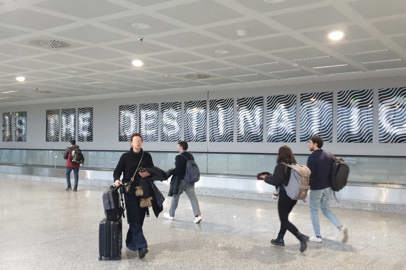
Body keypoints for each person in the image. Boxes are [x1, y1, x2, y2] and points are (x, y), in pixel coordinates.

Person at [257, 145, 309, 253]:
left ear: (280, 155)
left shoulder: (281, 166)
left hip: (285, 196)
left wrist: (265, 177)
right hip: (294, 197)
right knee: (284, 218)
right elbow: (283, 179)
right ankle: (280, 239)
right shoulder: (293, 165)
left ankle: (300, 237)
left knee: (284, 220)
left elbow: (276, 181)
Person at [113, 133, 155, 259]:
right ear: (131, 143)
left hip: (144, 191)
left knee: (140, 218)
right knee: (134, 217)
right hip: (129, 191)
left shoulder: (146, 156)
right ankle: (142, 246)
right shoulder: (125, 157)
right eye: (135, 140)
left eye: (139, 140)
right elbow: (117, 171)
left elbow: (152, 171)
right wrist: (116, 180)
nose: (137, 142)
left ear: (142, 142)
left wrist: (147, 174)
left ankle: (130, 242)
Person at [307, 135, 348, 243]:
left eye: (309, 142)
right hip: (328, 188)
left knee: (314, 210)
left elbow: (309, 175)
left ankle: (317, 236)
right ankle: (341, 227)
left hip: (316, 188)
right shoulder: (330, 155)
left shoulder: (312, 157)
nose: (308, 144)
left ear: (315, 144)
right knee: (326, 209)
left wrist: (305, 189)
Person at [163, 141, 202, 224]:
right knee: (193, 198)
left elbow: (178, 170)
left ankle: (171, 215)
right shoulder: (190, 156)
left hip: (181, 181)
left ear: (181, 147)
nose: (177, 147)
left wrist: (170, 172)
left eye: (178, 146)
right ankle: (197, 216)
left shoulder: (179, 157)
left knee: (175, 197)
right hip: (190, 181)